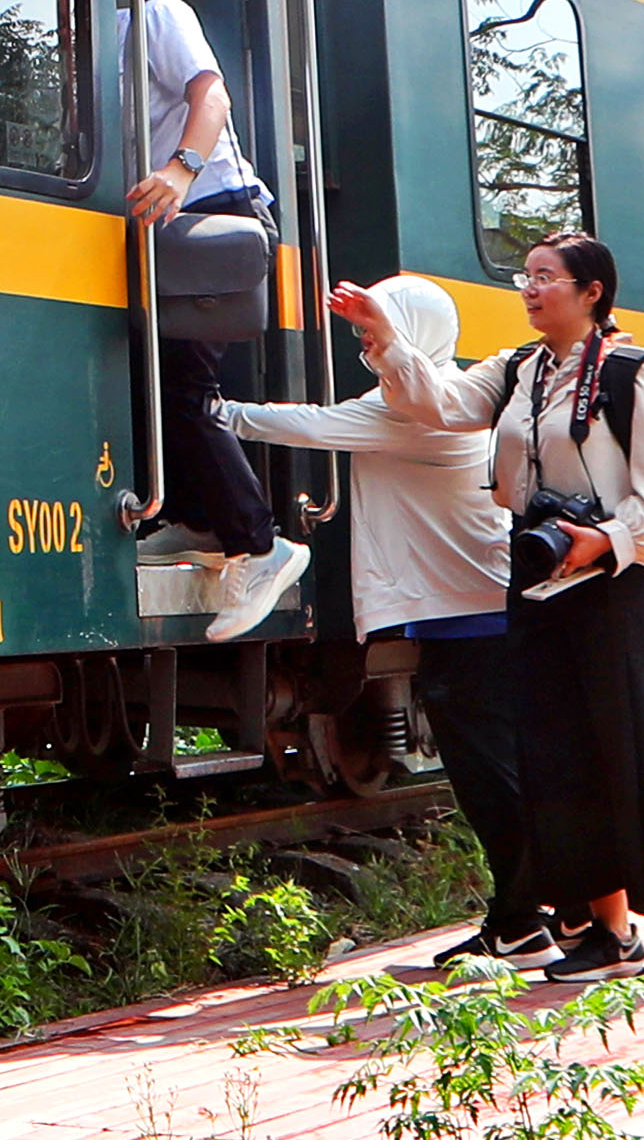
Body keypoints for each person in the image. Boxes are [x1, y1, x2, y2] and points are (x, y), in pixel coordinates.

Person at [351, 231, 644, 987]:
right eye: (525, 276)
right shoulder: (520, 371)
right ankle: (611, 933)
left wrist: (605, 539)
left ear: (592, 291)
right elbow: (440, 404)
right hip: (542, 585)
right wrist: (384, 337)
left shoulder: (633, 372)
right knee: (562, 759)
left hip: (622, 583)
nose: (530, 288)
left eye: (546, 277)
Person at [219, 273, 540, 962]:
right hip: (472, 614)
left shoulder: (416, 412)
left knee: (492, 779)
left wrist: (214, 415)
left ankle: (528, 920)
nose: (366, 344)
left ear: (413, 335)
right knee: (495, 774)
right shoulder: (422, 400)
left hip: (473, 618)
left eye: (378, 333)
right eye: (366, 333)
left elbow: (299, 425)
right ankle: (531, 916)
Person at [128, 0, 296, 637]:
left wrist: (180, 169)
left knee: (185, 387)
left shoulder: (155, 15)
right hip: (163, 225)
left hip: (216, 210)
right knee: (154, 379)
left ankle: (261, 544)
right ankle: (200, 521)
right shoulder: (74, 35)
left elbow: (213, 96)